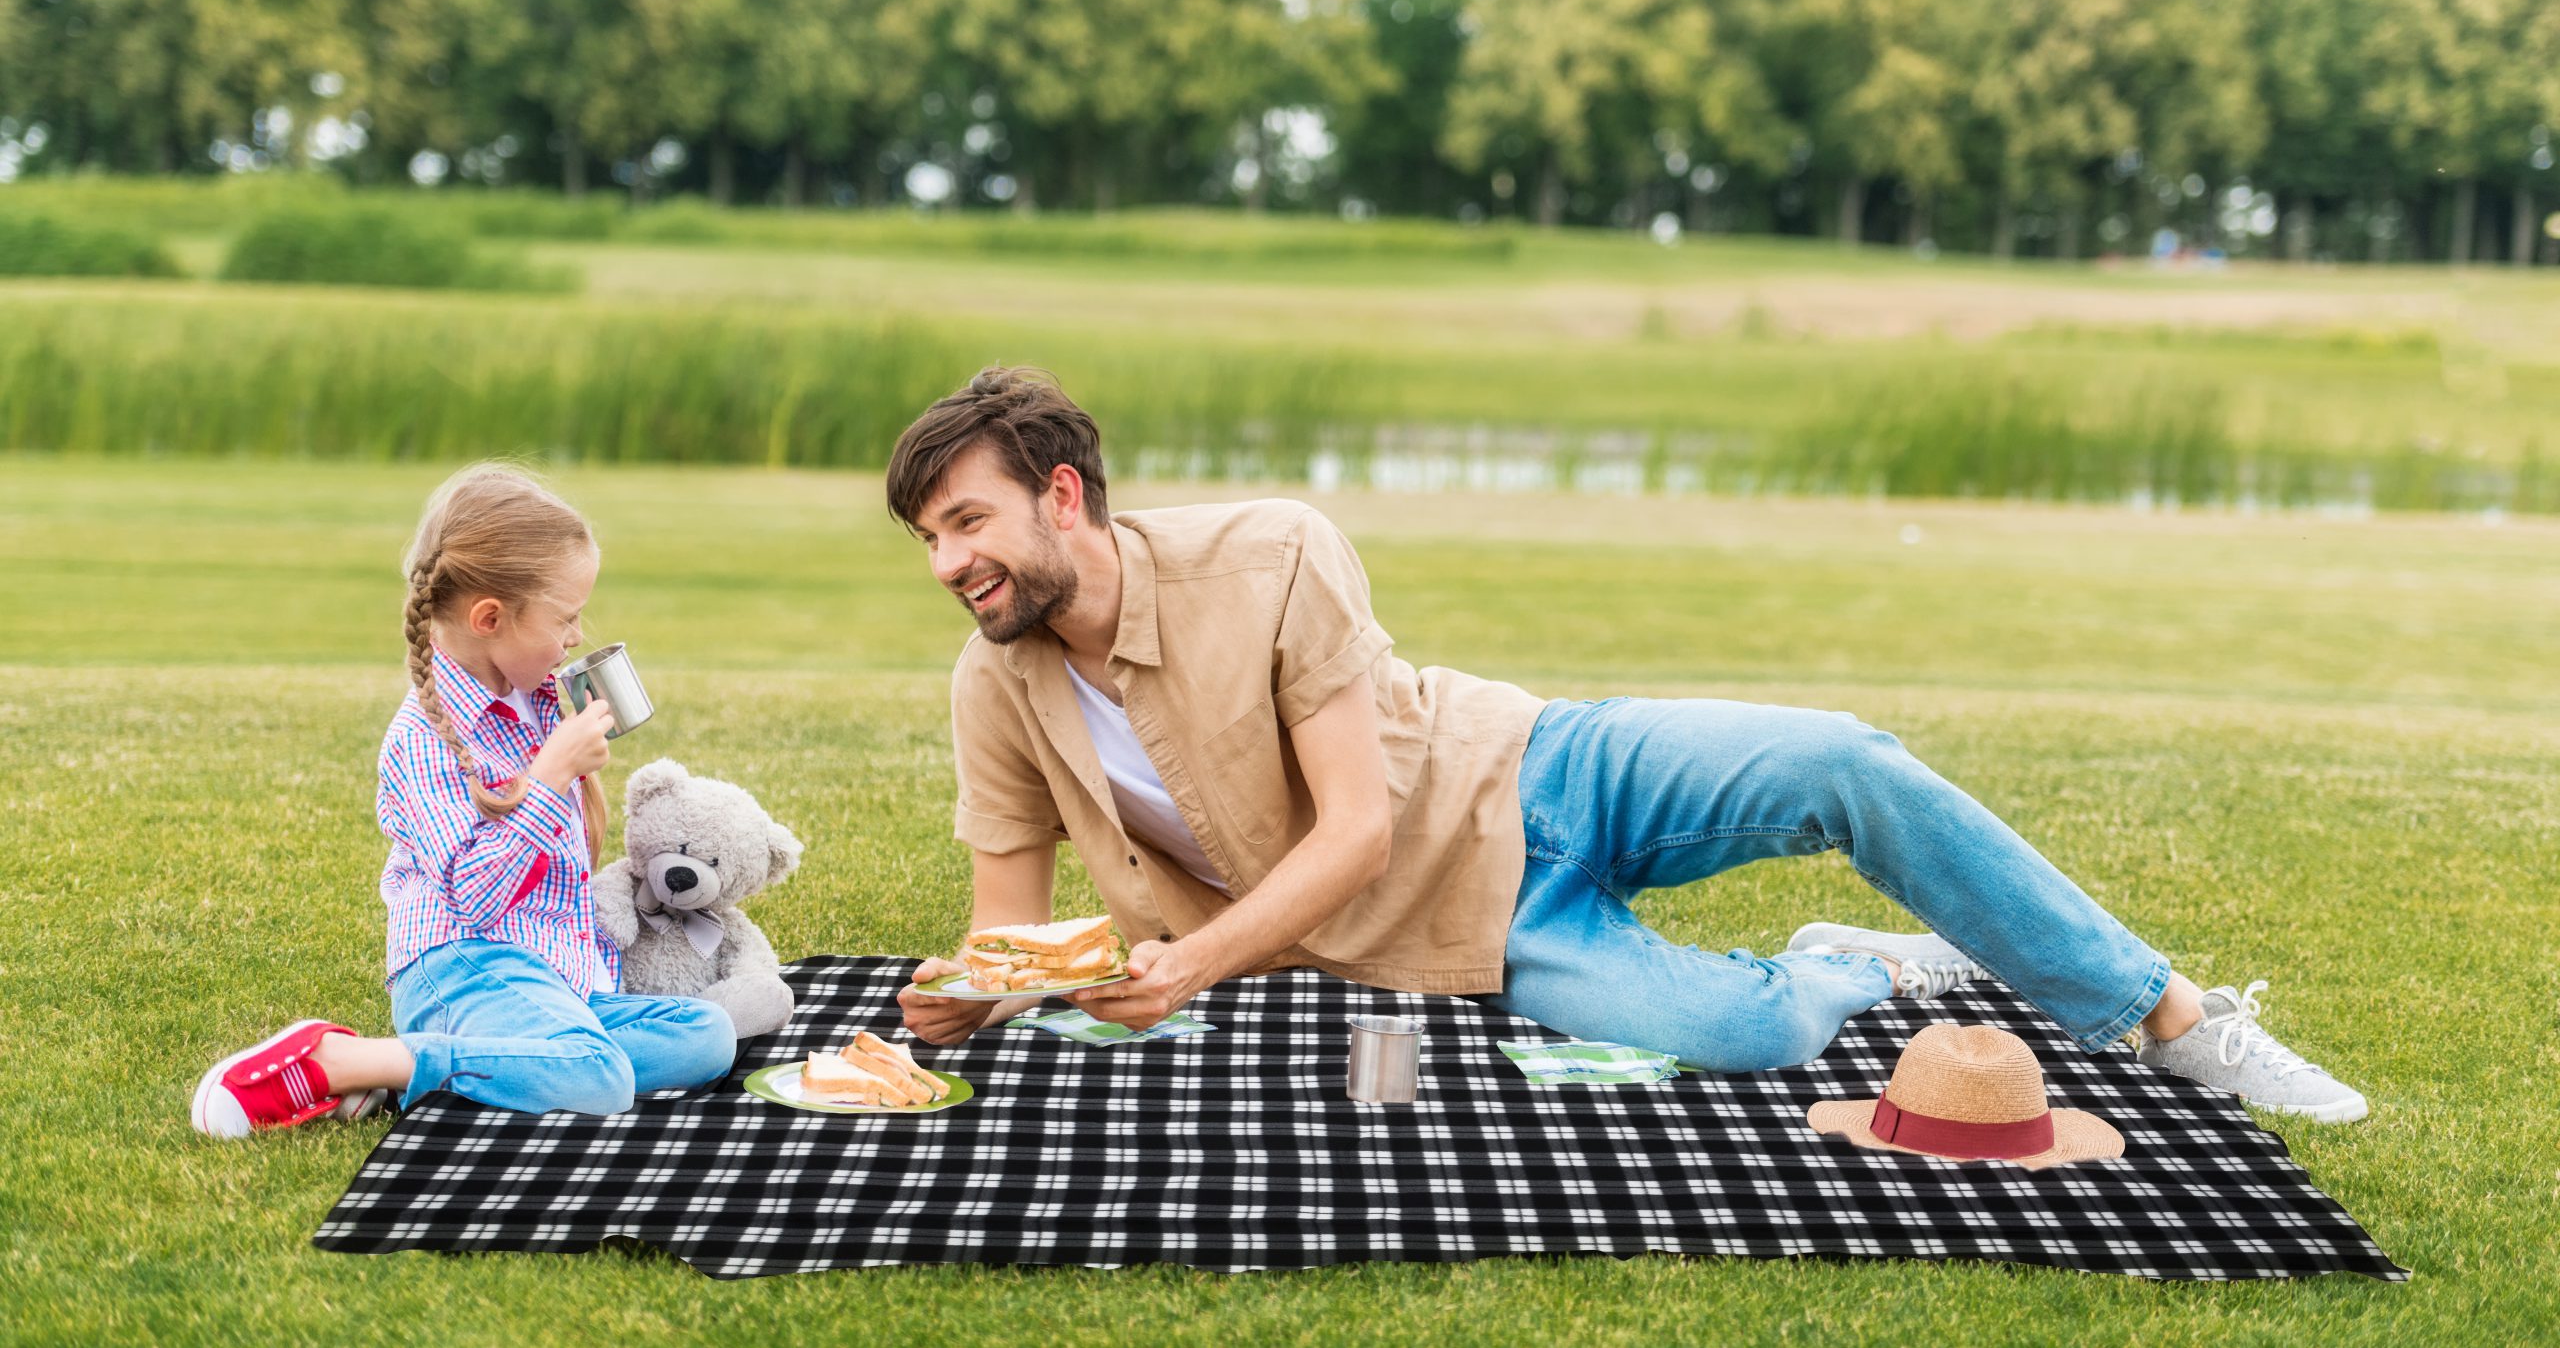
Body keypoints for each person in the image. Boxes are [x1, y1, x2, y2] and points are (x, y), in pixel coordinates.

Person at [892, 369, 2365, 1123]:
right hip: (1474, 934)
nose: (950, 563)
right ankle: (1863, 964)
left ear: (1062, 494)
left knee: (1845, 761)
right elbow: (1009, 931)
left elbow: (1355, 827)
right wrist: (967, 1000)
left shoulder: (1271, 551)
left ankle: (2176, 1020)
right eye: (929, 539)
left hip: (1539, 767)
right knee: (1752, 1033)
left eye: (968, 521)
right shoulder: (995, 684)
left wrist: (1192, 964)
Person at [190, 465, 735, 1136]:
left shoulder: (535, 701)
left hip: (553, 978)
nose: (575, 637)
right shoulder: (423, 738)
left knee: (709, 1035)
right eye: (565, 618)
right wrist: (549, 776)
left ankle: (435, 1070)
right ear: (489, 618)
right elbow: (477, 898)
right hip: (465, 966)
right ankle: (339, 1061)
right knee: (600, 1077)